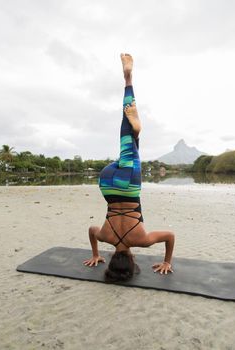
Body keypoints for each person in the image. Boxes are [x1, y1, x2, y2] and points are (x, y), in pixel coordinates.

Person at [83, 53, 175, 282]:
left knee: (131, 141)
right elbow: (91, 231)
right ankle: (134, 133)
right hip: (106, 181)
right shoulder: (106, 236)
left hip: (129, 186)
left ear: (132, 261)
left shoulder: (140, 240)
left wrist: (167, 261)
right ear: (112, 259)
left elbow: (170, 236)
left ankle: (128, 80)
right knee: (128, 141)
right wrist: (95, 253)